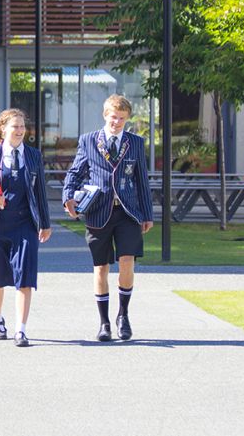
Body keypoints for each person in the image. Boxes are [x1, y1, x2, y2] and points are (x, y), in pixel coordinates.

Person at [62, 95, 154, 342]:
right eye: (114, 117)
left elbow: (141, 181)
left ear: (127, 118)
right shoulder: (89, 141)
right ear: (105, 115)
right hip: (98, 211)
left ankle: (123, 316)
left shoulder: (135, 143)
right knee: (101, 267)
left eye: (122, 119)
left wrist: (147, 214)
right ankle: (104, 322)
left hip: (128, 212)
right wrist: (68, 197)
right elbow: (75, 172)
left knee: (127, 262)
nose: (117, 122)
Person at [0, 108, 53, 347]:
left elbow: (40, 192)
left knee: (24, 277)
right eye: (14, 126)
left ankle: (21, 330)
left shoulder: (33, 156)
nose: (19, 131)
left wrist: (45, 223)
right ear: (2, 129)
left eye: (22, 126)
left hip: (25, 223)